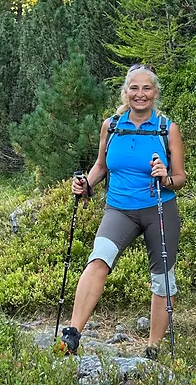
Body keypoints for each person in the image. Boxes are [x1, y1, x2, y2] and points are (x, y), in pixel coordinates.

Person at [59, 64, 186, 357]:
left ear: (155, 93)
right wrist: (86, 185)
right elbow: (101, 166)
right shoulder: (112, 126)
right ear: (125, 92)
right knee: (98, 259)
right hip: (119, 210)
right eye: (134, 88)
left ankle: (153, 348)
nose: (140, 94)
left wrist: (164, 176)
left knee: (162, 277)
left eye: (146, 89)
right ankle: (73, 334)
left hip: (159, 209)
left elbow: (179, 178)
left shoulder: (168, 129)